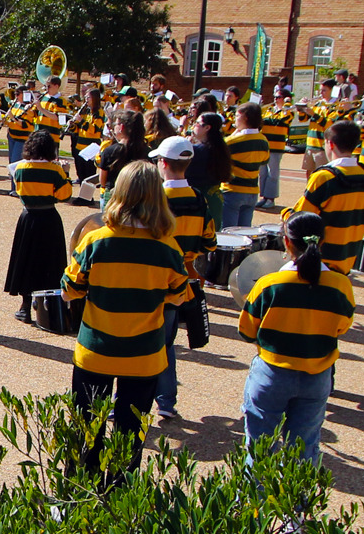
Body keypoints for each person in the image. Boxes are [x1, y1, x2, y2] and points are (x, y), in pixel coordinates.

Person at [61, 162, 193, 476]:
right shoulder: (168, 247)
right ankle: (120, 499)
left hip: (97, 349)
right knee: (130, 433)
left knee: (85, 429)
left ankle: (78, 493)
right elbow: (180, 294)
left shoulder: (96, 240)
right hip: (144, 354)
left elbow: (69, 291)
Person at [237, 212, 357, 464]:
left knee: (259, 447)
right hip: (317, 374)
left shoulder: (269, 283)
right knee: (304, 447)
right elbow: (342, 327)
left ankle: (253, 501)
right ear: (321, 242)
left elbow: (247, 331)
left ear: (286, 242)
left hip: (272, 373)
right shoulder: (340, 284)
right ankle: (298, 502)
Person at [152, 136, 212, 421]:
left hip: (154, 277)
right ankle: (166, 400)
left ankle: (124, 399)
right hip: (184, 279)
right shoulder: (199, 197)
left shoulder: (156, 197)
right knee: (167, 342)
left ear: (163, 164)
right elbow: (209, 242)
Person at [286, 119, 364, 274]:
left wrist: (286, 214)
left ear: (330, 144)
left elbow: (299, 222)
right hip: (348, 259)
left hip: (319, 260)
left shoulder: (324, 177)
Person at [5, 131, 72, 323]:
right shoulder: (55, 170)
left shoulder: (20, 168)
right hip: (49, 216)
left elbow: (19, 191)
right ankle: (49, 305)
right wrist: (65, 173)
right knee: (50, 260)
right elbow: (64, 195)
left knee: (26, 260)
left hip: (28, 216)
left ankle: (25, 306)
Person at [221, 103, 270, 228]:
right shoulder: (263, 140)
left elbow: (219, 157)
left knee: (228, 231)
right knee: (245, 231)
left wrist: (232, 136)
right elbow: (265, 161)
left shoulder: (231, 141)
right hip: (252, 191)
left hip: (232, 190)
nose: (234, 119)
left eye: (237, 116)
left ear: (245, 118)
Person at [97, 110, 149, 209]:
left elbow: (102, 181)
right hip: (139, 197)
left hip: (114, 196)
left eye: (115, 124)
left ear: (121, 127)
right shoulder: (147, 151)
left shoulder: (109, 151)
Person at [257, 90, 292, 210]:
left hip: (276, 146)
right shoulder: (269, 110)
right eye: (275, 97)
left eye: (279, 97)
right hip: (265, 145)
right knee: (262, 172)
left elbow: (281, 120)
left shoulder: (288, 111)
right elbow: (262, 122)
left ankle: (271, 198)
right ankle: (264, 197)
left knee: (273, 173)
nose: (276, 99)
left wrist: (287, 105)